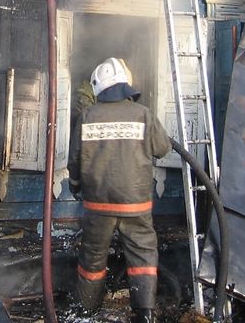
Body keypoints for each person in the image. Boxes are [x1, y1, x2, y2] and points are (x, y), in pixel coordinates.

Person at [68, 58, 172, 323]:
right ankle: (145, 312)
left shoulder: (87, 116)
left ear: (99, 88)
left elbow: (75, 160)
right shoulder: (143, 114)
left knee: (92, 257)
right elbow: (163, 149)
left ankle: (86, 310)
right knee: (143, 253)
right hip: (135, 204)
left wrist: (75, 186)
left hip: (98, 205)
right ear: (125, 84)